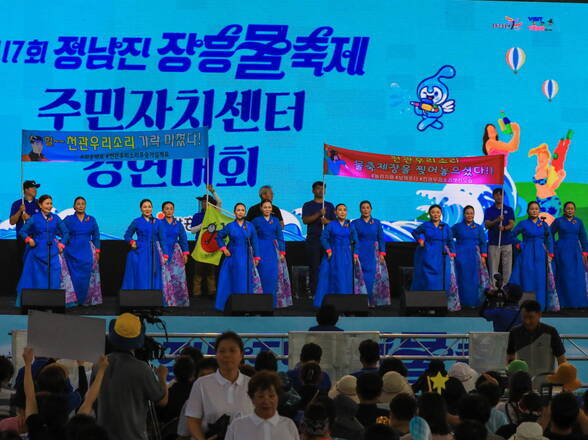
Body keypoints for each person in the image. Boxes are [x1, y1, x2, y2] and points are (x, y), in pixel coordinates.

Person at [96, 313, 168, 440]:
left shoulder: (99, 365)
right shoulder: (142, 369)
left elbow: (92, 399)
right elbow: (162, 401)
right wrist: (162, 377)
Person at [185, 331, 253, 440]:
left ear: (241, 355)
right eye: (222, 351)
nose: (227, 355)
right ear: (216, 355)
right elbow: (193, 420)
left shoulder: (252, 384)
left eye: (232, 350)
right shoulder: (201, 384)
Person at [16, 194, 73, 307]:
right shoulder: (34, 218)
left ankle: (52, 303)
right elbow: (22, 231)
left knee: (54, 277)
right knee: (36, 279)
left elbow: (66, 232)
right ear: (40, 205)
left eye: (51, 203)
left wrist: (61, 244)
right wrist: (28, 239)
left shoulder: (55, 218)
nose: (49, 206)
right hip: (36, 252)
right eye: (47, 203)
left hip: (52, 252)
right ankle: (36, 303)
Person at [224, 371, 299, 440]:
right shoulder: (237, 426)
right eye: (261, 396)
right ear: (252, 398)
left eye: (271, 396)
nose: (266, 401)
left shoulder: (289, 425)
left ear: (278, 397)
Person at [511, 202, 558, 311]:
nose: (534, 211)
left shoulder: (544, 224)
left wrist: (551, 253)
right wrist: (519, 244)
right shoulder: (523, 223)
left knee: (540, 279)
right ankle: (526, 306)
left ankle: (541, 305)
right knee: (527, 277)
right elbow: (512, 235)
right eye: (532, 209)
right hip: (527, 253)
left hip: (541, 253)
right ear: (528, 211)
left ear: (539, 210)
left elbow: (549, 239)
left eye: (536, 209)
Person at [314, 203, 363, 307]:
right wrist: (328, 250)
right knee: (332, 278)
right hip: (333, 254)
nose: (342, 212)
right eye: (340, 210)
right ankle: (331, 304)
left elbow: (356, 240)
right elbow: (323, 238)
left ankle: (345, 304)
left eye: (344, 210)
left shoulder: (350, 225)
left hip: (346, 255)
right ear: (335, 212)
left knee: (346, 278)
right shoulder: (331, 224)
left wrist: (355, 254)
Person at [215, 203, 261, 311]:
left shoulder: (250, 226)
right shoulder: (230, 226)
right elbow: (219, 237)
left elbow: (255, 242)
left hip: (246, 256)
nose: (240, 212)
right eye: (238, 210)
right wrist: (224, 249)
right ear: (235, 212)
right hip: (232, 256)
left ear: (244, 212)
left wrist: (257, 257)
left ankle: (244, 304)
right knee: (231, 279)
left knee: (245, 279)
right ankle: (229, 304)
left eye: (242, 210)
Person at [411, 204, 458, 309]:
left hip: (442, 254)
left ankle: (441, 303)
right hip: (427, 253)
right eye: (433, 212)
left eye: (438, 212)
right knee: (427, 278)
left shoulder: (445, 226)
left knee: (443, 278)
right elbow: (414, 232)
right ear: (429, 214)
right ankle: (426, 302)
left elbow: (450, 241)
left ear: (441, 213)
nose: (435, 214)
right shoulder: (425, 225)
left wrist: (453, 254)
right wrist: (420, 240)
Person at [507, 300, 566, 382]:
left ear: (539, 315)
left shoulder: (551, 332)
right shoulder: (514, 332)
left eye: (531, 317)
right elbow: (510, 357)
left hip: (545, 383)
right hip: (523, 384)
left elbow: (561, 360)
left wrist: (563, 382)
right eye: (524, 317)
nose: (527, 321)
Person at [251, 200, 292, 308]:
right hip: (259, 249)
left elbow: (280, 237)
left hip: (273, 250)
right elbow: (252, 236)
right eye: (265, 207)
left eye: (269, 207)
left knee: (273, 276)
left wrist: (282, 251)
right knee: (261, 276)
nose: (267, 209)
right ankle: (258, 303)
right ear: (261, 208)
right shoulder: (256, 221)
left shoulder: (275, 220)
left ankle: (271, 303)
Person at [22, 347, 69, 440]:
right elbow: (87, 402)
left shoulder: (34, 427)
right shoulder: (69, 433)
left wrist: (28, 364)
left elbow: (29, 395)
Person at [63, 197, 102, 306]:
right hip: (71, 251)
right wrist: (66, 241)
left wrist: (97, 251)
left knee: (86, 276)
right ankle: (73, 301)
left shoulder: (91, 219)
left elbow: (96, 235)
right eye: (78, 204)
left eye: (83, 204)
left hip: (86, 251)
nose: (80, 206)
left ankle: (85, 300)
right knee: (73, 276)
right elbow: (59, 230)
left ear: (85, 206)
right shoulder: (69, 219)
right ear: (74, 206)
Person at [351, 200, 391, 307]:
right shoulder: (354, 223)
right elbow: (354, 239)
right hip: (360, 251)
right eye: (363, 207)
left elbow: (381, 238)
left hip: (374, 252)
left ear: (371, 209)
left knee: (372, 277)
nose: (365, 210)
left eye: (367, 207)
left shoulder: (377, 222)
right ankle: (362, 302)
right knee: (360, 277)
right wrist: (355, 253)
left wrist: (382, 252)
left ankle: (372, 301)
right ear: (360, 209)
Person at [551, 202, 588, 309]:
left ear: (574, 210)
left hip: (576, 251)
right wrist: (554, 246)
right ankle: (565, 303)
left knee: (577, 276)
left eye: (572, 208)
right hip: (562, 251)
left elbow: (583, 237)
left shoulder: (579, 222)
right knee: (565, 275)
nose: (570, 210)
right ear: (564, 210)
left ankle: (579, 303)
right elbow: (550, 234)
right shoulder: (558, 221)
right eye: (568, 208)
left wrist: (585, 252)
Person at [121, 199, 164, 291]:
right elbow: (127, 235)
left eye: (149, 206)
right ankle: (140, 298)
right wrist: (132, 242)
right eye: (145, 207)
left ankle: (154, 298)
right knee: (142, 274)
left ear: (152, 208)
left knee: (154, 274)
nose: (147, 209)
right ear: (141, 209)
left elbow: (162, 239)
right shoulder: (136, 221)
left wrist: (165, 254)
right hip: (140, 250)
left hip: (154, 251)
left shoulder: (157, 222)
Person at [302, 181, 336, 296]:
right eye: (318, 188)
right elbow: (305, 220)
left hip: (327, 241)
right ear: (313, 190)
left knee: (327, 267)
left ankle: (327, 291)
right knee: (314, 267)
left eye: (323, 189)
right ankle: (315, 293)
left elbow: (336, 223)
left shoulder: (330, 205)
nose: (320, 191)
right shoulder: (308, 205)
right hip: (313, 241)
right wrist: (318, 214)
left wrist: (327, 222)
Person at [452, 205, 489, 307]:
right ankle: (461, 302)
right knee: (461, 278)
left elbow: (483, 243)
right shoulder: (457, 226)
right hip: (460, 255)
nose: (469, 215)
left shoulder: (478, 227)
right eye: (467, 213)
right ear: (464, 214)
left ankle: (473, 302)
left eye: (471, 213)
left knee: (473, 279)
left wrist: (483, 256)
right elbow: (448, 237)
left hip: (474, 256)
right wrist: (452, 251)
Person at [190, 185, 222, 297]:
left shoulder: (214, 214)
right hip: (199, 246)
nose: (205, 204)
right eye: (203, 202)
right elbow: (192, 230)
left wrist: (213, 191)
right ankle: (196, 293)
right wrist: (202, 225)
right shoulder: (197, 216)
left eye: (207, 202)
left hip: (211, 246)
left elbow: (219, 202)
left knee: (211, 272)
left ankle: (212, 292)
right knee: (198, 271)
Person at [158, 201, 190, 307]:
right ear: (163, 211)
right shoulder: (159, 223)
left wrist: (185, 254)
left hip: (176, 253)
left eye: (171, 208)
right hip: (163, 251)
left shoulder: (179, 224)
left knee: (178, 278)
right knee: (165, 278)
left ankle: (180, 302)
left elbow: (183, 239)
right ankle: (167, 301)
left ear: (174, 210)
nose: (169, 210)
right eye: (166, 208)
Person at [484, 188, 516, 286]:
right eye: (497, 194)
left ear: (503, 196)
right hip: (493, 242)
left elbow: (512, 224)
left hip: (506, 242)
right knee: (493, 267)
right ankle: (494, 288)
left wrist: (505, 228)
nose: (499, 196)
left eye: (501, 194)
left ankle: (505, 287)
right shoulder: (489, 210)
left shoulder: (508, 210)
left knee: (507, 268)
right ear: (493, 196)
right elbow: (487, 225)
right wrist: (497, 220)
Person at [9, 180, 41, 272]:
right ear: (26, 190)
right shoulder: (17, 204)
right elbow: (12, 222)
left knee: (36, 265)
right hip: (22, 239)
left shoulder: (39, 203)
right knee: (22, 264)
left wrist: (29, 218)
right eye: (33, 188)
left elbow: (43, 221)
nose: (35, 190)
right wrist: (19, 211)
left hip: (37, 238)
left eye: (36, 188)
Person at [157, 355, 196, 425]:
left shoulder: (168, 394)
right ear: (193, 373)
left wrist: (162, 379)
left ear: (174, 372)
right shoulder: (199, 392)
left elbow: (159, 416)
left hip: (170, 432)